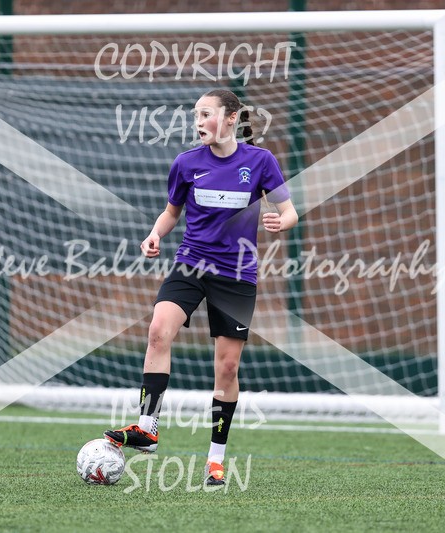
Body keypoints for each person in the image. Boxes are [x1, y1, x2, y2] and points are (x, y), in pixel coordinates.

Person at [105, 89, 298, 486]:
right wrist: (155, 234)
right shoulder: (186, 163)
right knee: (159, 330)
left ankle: (215, 459)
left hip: (237, 274)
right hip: (191, 264)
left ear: (230, 118)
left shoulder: (260, 162)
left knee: (226, 369)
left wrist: (284, 222)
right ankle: (147, 428)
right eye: (195, 115)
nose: (198, 122)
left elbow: (288, 209)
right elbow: (171, 211)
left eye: (206, 113)